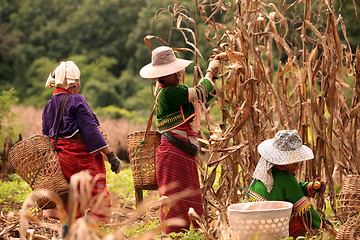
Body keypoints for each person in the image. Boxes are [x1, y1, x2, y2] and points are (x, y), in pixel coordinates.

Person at [139, 46, 221, 234]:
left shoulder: (176, 89)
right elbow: (200, 93)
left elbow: (203, 95)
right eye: (171, 73)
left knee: (188, 195)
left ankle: (190, 232)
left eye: (176, 71)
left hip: (180, 152)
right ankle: (175, 235)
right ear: (161, 76)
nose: (177, 75)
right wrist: (209, 71)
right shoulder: (168, 93)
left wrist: (213, 75)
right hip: (173, 153)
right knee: (175, 198)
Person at [42, 61, 121, 237]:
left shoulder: (48, 105)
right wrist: (111, 155)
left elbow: (45, 136)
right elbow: (90, 130)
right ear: (74, 83)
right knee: (96, 196)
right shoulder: (77, 100)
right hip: (79, 159)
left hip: (60, 159)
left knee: (71, 203)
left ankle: (68, 235)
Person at [245, 129, 327, 238]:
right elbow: (304, 208)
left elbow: (290, 187)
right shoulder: (286, 179)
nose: (297, 165)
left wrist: (310, 187)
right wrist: (322, 224)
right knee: (301, 221)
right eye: (293, 161)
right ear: (283, 161)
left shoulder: (264, 172)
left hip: (255, 223)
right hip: (273, 226)